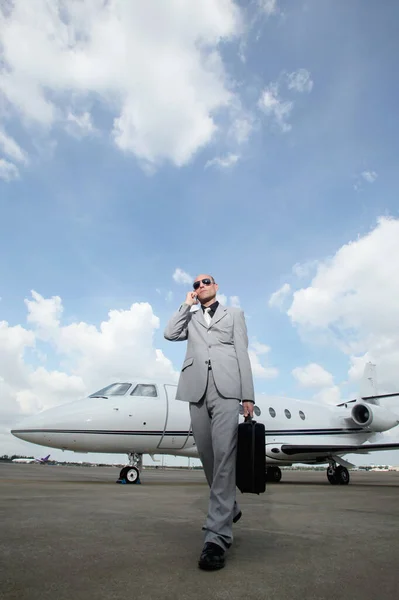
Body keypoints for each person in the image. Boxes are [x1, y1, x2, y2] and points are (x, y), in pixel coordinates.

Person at [164, 274, 255, 571]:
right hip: (196, 389)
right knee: (207, 456)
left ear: (216, 287)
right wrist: (185, 305)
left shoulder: (235, 314)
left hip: (227, 390)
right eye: (195, 285)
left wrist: (247, 396)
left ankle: (216, 537)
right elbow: (169, 333)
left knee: (225, 456)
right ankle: (231, 507)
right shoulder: (190, 318)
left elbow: (242, 352)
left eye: (205, 282)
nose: (200, 286)